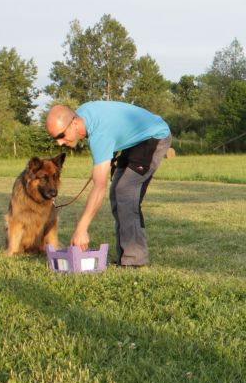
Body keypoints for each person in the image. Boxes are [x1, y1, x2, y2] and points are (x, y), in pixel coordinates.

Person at [46, 102, 171, 267]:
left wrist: (81, 228)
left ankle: (134, 260)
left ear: (74, 122)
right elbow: (114, 126)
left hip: (154, 136)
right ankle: (125, 257)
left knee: (125, 192)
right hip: (135, 140)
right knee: (117, 193)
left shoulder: (99, 135)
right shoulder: (83, 116)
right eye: (56, 138)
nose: (60, 143)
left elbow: (99, 187)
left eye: (61, 135)